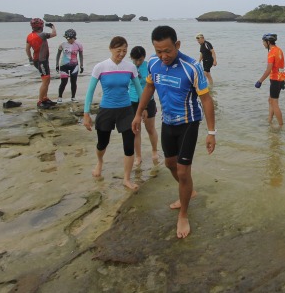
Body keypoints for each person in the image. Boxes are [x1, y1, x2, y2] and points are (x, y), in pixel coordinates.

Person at [132, 26, 216, 239]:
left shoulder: (192, 67)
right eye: (159, 51)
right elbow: (149, 88)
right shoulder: (153, 63)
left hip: (189, 123)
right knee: (169, 164)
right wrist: (138, 113)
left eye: (168, 51)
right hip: (167, 122)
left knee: (182, 170)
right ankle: (187, 191)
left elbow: (206, 99)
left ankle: (184, 214)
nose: (163, 56)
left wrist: (211, 132)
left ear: (177, 45)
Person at [83, 36, 143, 191]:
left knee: (129, 145)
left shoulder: (130, 67)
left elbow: (139, 89)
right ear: (111, 49)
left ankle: (126, 179)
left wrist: (142, 109)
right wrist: (86, 113)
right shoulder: (100, 67)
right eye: (119, 50)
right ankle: (100, 162)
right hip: (106, 109)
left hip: (126, 110)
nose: (122, 53)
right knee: (102, 143)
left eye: (124, 50)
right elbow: (90, 91)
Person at [128, 45, 159, 166]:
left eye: (140, 59)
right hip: (132, 101)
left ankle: (155, 151)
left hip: (148, 101)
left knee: (150, 128)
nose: (137, 62)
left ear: (144, 58)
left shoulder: (149, 67)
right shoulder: (129, 67)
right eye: (135, 59)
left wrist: (145, 107)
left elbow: (153, 84)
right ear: (131, 58)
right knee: (136, 131)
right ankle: (138, 156)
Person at [255, 33, 285, 127]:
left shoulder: (271, 52)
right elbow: (282, 66)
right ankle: (270, 121)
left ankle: (281, 125)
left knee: (274, 103)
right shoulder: (279, 50)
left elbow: (268, 70)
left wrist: (260, 81)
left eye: (264, 42)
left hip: (275, 80)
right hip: (280, 78)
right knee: (271, 100)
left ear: (268, 42)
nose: (263, 44)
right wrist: (283, 81)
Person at [25, 18, 57, 109]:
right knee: (45, 80)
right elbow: (54, 34)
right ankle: (40, 101)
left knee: (47, 79)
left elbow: (27, 49)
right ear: (41, 26)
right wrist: (53, 26)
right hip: (42, 60)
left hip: (37, 60)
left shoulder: (29, 36)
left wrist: (30, 59)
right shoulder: (42, 35)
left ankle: (45, 98)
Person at [55, 29, 84, 103]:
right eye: (67, 38)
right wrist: (57, 65)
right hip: (64, 65)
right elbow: (58, 55)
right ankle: (60, 97)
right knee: (63, 82)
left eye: (70, 39)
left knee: (73, 82)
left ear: (74, 37)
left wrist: (81, 65)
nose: (69, 40)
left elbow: (81, 56)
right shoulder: (63, 44)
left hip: (74, 65)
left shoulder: (79, 44)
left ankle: (73, 97)